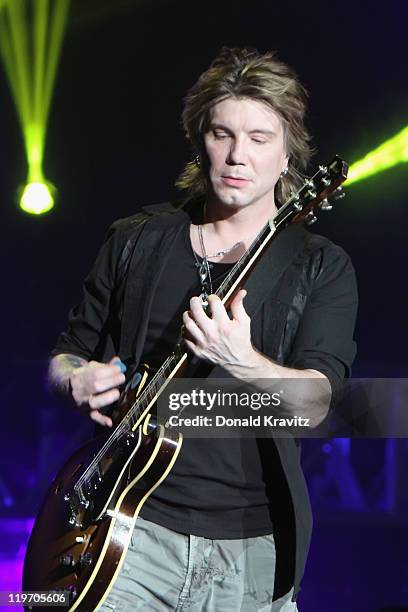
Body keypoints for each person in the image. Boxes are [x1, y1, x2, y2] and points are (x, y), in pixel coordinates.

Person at [48, 47, 358, 611]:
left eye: (260, 138)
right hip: (127, 527)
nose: (238, 156)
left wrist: (246, 361)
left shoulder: (319, 265)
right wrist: (75, 380)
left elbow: (316, 404)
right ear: (200, 140)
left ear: (289, 153)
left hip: (252, 549)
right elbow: (66, 355)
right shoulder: (135, 239)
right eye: (222, 134)